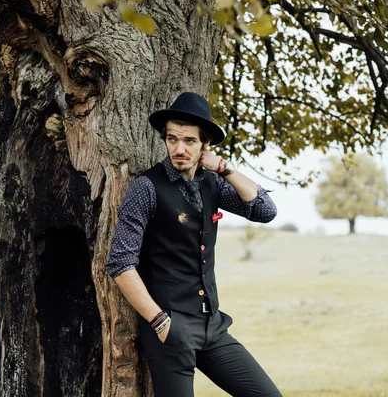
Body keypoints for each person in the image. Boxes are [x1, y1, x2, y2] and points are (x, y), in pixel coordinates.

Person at [106, 92, 282, 396]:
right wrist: (160, 321)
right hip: (170, 327)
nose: (179, 149)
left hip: (212, 326)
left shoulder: (211, 182)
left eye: (189, 141)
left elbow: (265, 210)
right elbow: (120, 263)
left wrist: (224, 168)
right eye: (173, 139)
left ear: (205, 145)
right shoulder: (146, 188)